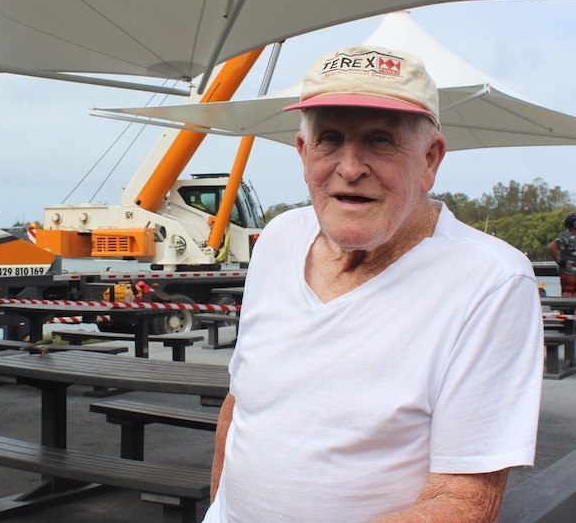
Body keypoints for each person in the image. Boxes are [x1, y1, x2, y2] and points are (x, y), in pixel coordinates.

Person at [204, 45, 543, 522]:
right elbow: (240, 406)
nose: (350, 167)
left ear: (430, 159)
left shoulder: (490, 281)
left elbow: (461, 505)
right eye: (330, 139)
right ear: (304, 154)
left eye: (381, 140)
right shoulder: (279, 237)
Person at [547, 212, 576, 297]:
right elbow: (551, 247)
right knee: (567, 296)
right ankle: (565, 310)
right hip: (568, 272)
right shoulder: (566, 237)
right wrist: (559, 261)